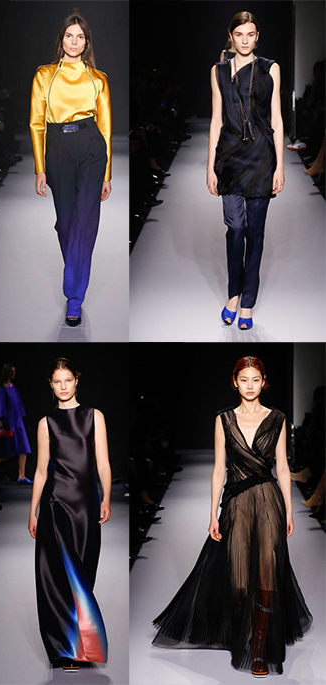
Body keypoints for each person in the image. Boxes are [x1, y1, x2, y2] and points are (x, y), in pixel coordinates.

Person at [153, 356, 312, 677]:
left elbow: (282, 467)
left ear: (264, 382)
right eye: (244, 380)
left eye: (255, 379)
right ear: (234, 382)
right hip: (237, 503)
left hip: (268, 502)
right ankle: (241, 630)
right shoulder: (223, 419)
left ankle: (259, 647)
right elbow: (218, 469)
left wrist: (288, 508)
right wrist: (213, 513)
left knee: (268, 575)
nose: (250, 386)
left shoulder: (277, 419)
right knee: (239, 583)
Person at [28, 358, 112, 672]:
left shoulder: (94, 416)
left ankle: (82, 641)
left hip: (86, 505)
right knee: (58, 577)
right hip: (56, 505)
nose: (63, 386)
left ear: (76, 380)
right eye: (57, 381)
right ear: (51, 386)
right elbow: (40, 470)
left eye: (67, 380)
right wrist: (33, 510)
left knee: (84, 573)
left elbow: (103, 462)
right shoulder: (45, 423)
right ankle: (66, 648)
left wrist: (106, 496)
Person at [30, 11, 112, 327]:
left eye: (80, 37)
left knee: (84, 222)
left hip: (91, 147)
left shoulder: (98, 79)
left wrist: (107, 174)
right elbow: (36, 123)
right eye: (69, 36)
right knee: (66, 224)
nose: (74, 42)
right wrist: (40, 168)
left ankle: (74, 296)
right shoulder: (44, 75)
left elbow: (105, 127)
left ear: (86, 42)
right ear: (61, 39)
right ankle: (75, 275)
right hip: (58, 148)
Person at [207, 12, 284, 331]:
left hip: (261, 157)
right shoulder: (218, 71)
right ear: (231, 35)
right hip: (229, 158)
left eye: (250, 34)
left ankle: (246, 302)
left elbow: (277, 118)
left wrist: (280, 166)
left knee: (255, 232)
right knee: (235, 228)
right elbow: (216, 119)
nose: (245, 40)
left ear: (257, 36)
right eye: (239, 34)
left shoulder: (270, 68)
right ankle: (233, 294)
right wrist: (210, 166)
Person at [0, 363, 33, 483]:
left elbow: (17, 405)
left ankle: (22, 476)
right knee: (8, 452)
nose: (13, 374)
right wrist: (0, 424)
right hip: (9, 422)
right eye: (11, 372)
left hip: (18, 421)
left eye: (14, 372)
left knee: (23, 449)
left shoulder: (12, 387)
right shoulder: (1, 388)